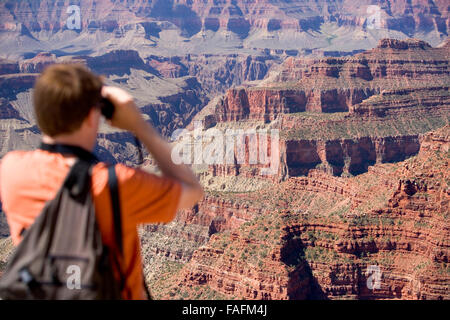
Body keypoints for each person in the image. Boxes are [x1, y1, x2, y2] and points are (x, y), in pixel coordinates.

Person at [0, 64, 204, 299]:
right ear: (91, 116)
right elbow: (192, 191)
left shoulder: (11, 169)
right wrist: (138, 125)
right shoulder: (114, 184)